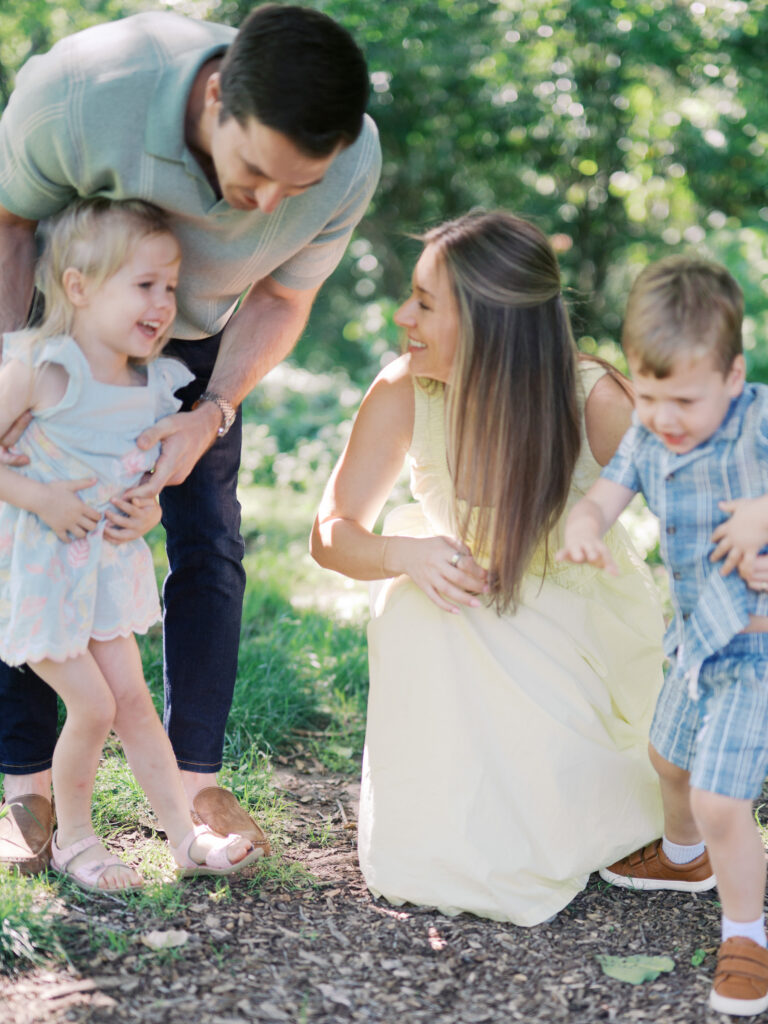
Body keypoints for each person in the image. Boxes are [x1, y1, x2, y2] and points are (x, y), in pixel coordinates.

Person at [0, 3, 381, 872]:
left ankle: (196, 782)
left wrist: (210, 414)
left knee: (209, 535)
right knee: (19, 546)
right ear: (215, 97)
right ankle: (25, 787)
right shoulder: (82, 93)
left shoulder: (351, 159)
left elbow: (284, 297)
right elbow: (7, 221)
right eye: (255, 170)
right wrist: (14, 371)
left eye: (298, 186)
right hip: (62, 311)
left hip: (199, 337)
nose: (268, 205)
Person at [310, 210, 666, 926]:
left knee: (491, 623)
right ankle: (452, 826)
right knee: (418, 602)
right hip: (458, 609)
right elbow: (330, 533)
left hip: (577, 622)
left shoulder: (591, 396)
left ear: (491, 320)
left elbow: (698, 514)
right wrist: (400, 554)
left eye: (426, 302)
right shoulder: (405, 390)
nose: (402, 313)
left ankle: (571, 806)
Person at [0, 198, 265, 890]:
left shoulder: (154, 385)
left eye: (171, 288)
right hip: (42, 575)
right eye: (143, 285)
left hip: (102, 573)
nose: (162, 304)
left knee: (134, 702)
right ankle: (77, 842)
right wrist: (41, 498)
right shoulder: (42, 368)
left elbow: (145, 478)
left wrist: (146, 508)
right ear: (79, 286)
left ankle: (185, 837)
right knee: (94, 706)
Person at [558, 255, 768, 1017]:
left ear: (733, 375)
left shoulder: (761, 419)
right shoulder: (650, 436)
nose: (664, 416)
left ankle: (747, 934)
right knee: (666, 758)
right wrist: (584, 526)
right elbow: (608, 493)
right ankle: (684, 860)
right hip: (694, 645)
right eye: (647, 397)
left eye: (683, 399)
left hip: (755, 648)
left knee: (720, 799)